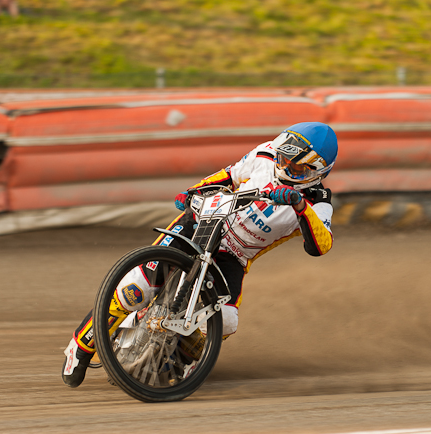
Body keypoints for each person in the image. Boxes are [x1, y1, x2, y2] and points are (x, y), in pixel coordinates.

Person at [62, 122, 338, 388]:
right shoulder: (265, 153)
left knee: (226, 321)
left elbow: (320, 246)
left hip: (235, 255)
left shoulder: (319, 201)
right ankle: (81, 347)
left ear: (318, 172)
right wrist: (192, 191)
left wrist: (300, 206)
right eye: (283, 159)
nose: (285, 167)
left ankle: (183, 361)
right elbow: (229, 175)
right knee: (136, 287)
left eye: (297, 167)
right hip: (203, 222)